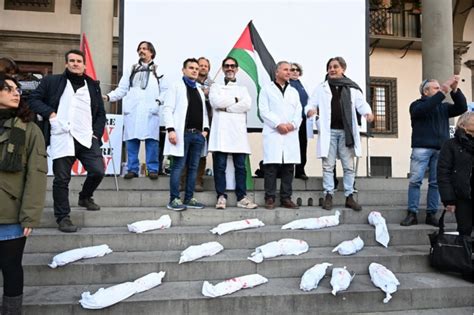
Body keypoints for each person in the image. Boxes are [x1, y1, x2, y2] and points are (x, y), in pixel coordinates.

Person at [29, 49, 106, 233]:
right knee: (61, 179)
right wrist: (51, 114)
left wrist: (96, 134)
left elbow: (100, 113)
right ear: (66, 63)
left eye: (79, 61)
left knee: (98, 171)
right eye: (71, 60)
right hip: (62, 136)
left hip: (87, 137)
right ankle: (63, 217)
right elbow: (33, 99)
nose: (75, 63)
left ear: (84, 64)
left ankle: (85, 197)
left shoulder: (93, 85)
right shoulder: (52, 81)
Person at [0, 74, 47, 315]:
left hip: (10, 215)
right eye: (8, 89)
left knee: (10, 268)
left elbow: (36, 174)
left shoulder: (29, 129)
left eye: (17, 89)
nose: (16, 92)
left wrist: (30, 215)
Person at [306, 56, 374, 211]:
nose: (332, 69)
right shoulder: (321, 87)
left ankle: (349, 196)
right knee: (328, 166)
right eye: (329, 67)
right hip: (329, 131)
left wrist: (368, 113)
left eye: (335, 66)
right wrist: (310, 110)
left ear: (343, 69)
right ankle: (328, 195)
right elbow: (311, 103)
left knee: (348, 166)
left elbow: (361, 104)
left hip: (346, 132)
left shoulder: (352, 88)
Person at [401, 75, 467, 226]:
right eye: (435, 88)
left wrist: (455, 90)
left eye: (439, 88)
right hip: (421, 148)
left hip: (440, 149)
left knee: (435, 183)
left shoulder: (443, 107)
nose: (440, 90)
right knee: (415, 181)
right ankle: (412, 213)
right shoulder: (416, 105)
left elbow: (462, 107)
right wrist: (443, 90)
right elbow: (426, 108)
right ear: (425, 91)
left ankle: (431, 214)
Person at [105, 41, 166, 180]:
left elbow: (165, 90)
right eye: (139, 49)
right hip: (133, 111)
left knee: (152, 141)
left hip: (151, 111)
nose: (141, 51)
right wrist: (108, 97)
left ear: (151, 52)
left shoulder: (158, 69)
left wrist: (157, 103)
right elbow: (122, 89)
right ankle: (132, 169)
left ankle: (152, 169)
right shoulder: (131, 69)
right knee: (132, 140)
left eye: (144, 49)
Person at [208, 57, 258, 210]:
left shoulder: (243, 89)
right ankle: (221, 196)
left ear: (237, 69)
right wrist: (235, 100)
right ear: (223, 68)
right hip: (221, 134)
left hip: (237, 134)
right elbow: (216, 103)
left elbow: (247, 104)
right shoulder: (215, 87)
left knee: (240, 167)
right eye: (227, 66)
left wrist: (227, 108)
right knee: (220, 167)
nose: (230, 68)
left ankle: (241, 197)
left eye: (232, 66)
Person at [163, 58, 209, 211]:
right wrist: (170, 130)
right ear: (183, 70)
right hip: (181, 134)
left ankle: (189, 198)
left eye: (196, 68)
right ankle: (174, 199)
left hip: (197, 135)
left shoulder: (199, 90)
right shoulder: (175, 86)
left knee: (194, 168)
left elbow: (203, 113)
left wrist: (205, 130)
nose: (195, 70)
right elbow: (168, 109)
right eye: (191, 68)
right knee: (178, 167)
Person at [259, 61, 302, 210]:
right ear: (277, 72)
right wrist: (278, 124)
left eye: (290, 70)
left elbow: (298, 112)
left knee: (288, 168)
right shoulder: (266, 90)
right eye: (285, 69)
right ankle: (270, 197)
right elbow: (263, 110)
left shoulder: (294, 92)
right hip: (273, 132)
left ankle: (286, 198)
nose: (288, 72)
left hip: (290, 134)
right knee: (271, 167)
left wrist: (292, 125)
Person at [437, 111, 473, 238]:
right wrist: (448, 200)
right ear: (463, 125)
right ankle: (465, 256)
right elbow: (443, 173)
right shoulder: (451, 145)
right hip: (462, 197)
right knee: (465, 230)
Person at [289, 62, 309, 180]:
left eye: (297, 70)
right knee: (290, 146)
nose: (295, 71)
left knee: (302, 145)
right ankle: (288, 170)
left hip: (303, 120)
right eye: (292, 70)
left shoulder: (303, 85)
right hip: (290, 121)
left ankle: (300, 170)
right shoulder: (287, 85)